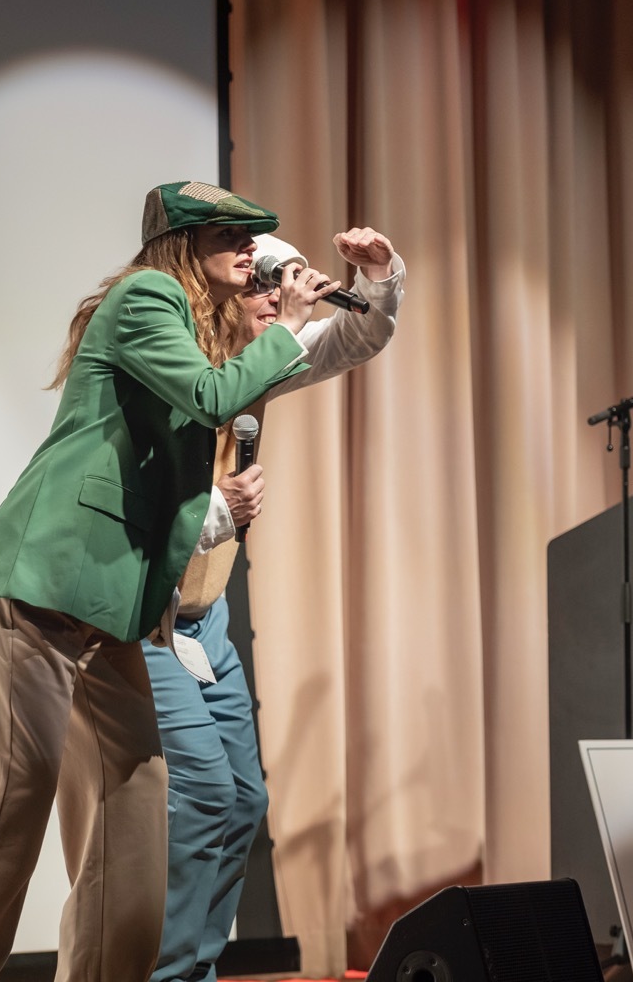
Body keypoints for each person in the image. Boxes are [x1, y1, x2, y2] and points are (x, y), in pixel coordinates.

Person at [0, 181, 336, 982]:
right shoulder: (146, 296)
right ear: (182, 244)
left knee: (135, 813)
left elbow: (221, 392)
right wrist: (292, 324)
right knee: (11, 810)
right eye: (229, 235)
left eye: (251, 237)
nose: (249, 248)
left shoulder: (197, 330)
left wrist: (344, 305)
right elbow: (212, 397)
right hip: (40, 584)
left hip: (112, 604)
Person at [143, 227, 405, 982]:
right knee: (203, 796)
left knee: (244, 802)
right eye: (266, 283)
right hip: (149, 618)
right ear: (224, 290)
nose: (282, 298)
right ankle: (165, 975)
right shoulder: (179, 366)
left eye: (287, 281)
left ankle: (194, 970)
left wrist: (379, 277)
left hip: (207, 623)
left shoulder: (263, 358)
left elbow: (355, 338)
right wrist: (218, 509)